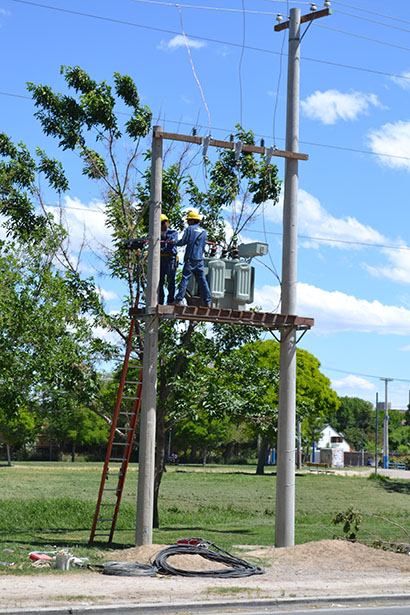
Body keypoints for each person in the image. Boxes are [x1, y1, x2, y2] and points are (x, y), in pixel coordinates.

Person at [173, 211, 212, 308]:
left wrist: (175, 242)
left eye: (188, 220)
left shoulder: (189, 229)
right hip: (199, 260)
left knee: (185, 278)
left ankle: (178, 299)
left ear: (191, 220)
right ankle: (208, 301)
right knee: (202, 281)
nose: (187, 223)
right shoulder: (204, 231)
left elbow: (183, 241)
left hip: (190, 259)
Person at [159, 214, 178, 305]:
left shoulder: (173, 233)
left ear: (167, 222)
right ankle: (160, 301)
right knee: (159, 282)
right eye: (160, 224)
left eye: (163, 223)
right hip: (161, 259)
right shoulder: (157, 234)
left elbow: (173, 240)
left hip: (171, 258)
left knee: (170, 281)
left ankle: (170, 300)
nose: (162, 225)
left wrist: (164, 235)